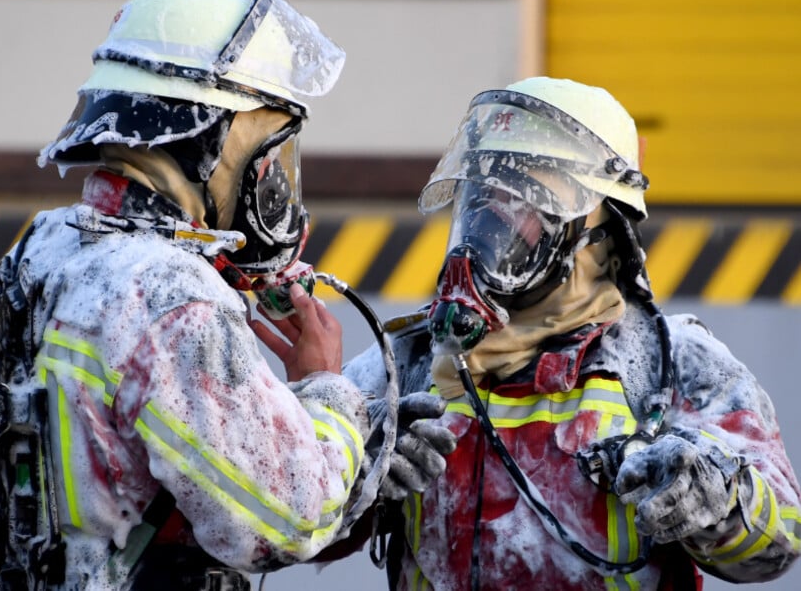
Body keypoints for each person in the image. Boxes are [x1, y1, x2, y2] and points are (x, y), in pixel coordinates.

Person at [342, 76, 801, 589]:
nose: (490, 229)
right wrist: (357, 468)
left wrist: (715, 497)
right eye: (482, 200)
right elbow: (286, 521)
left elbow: (778, 543)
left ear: (598, 230)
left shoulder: (668, 362)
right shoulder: (405, 362)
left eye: (524, 204)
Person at [0, 0, 371, 590]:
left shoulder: (45, 247)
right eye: (268, 154)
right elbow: (290, 518)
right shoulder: (170, 295)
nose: (273, 179)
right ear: (208, 139)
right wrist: (328, 393)